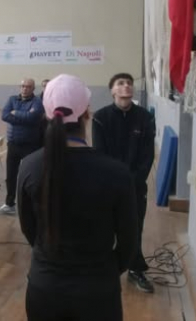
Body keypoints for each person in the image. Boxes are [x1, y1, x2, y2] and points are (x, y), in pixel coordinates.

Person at [18, 74, 137, 321]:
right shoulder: (116, 173)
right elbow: (128, 242)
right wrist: (104, 270)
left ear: (47, 115)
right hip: (98, 292)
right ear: (87, 114)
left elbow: (29, 229)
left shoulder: (29, 167)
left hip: (44, 289)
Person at [93, 73, 156, 293]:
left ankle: (135, 269)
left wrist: (133, 181)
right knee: (105, 228)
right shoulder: (100, 117)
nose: (126, 86)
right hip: (109, 185)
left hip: (135, 186)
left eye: (129, 83)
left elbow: (147, 156)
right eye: (120, 83)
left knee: (135, 229)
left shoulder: (145, 118)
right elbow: (100, 153)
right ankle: (103, 269)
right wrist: (113, 182)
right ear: (112, 91)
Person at [0, 78, 44, 215]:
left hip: (30, 146)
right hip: (13, 144)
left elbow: (33, 118)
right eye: (23, 86)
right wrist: (25, 116)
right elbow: (4, 115)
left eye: (28, 86)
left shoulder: (37, 102)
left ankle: (30, 204)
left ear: (33, 88)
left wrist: (16, 113)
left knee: (30, 176)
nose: (25, 88)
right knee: (11, 175)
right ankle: (9, 203)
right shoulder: (12, 99)